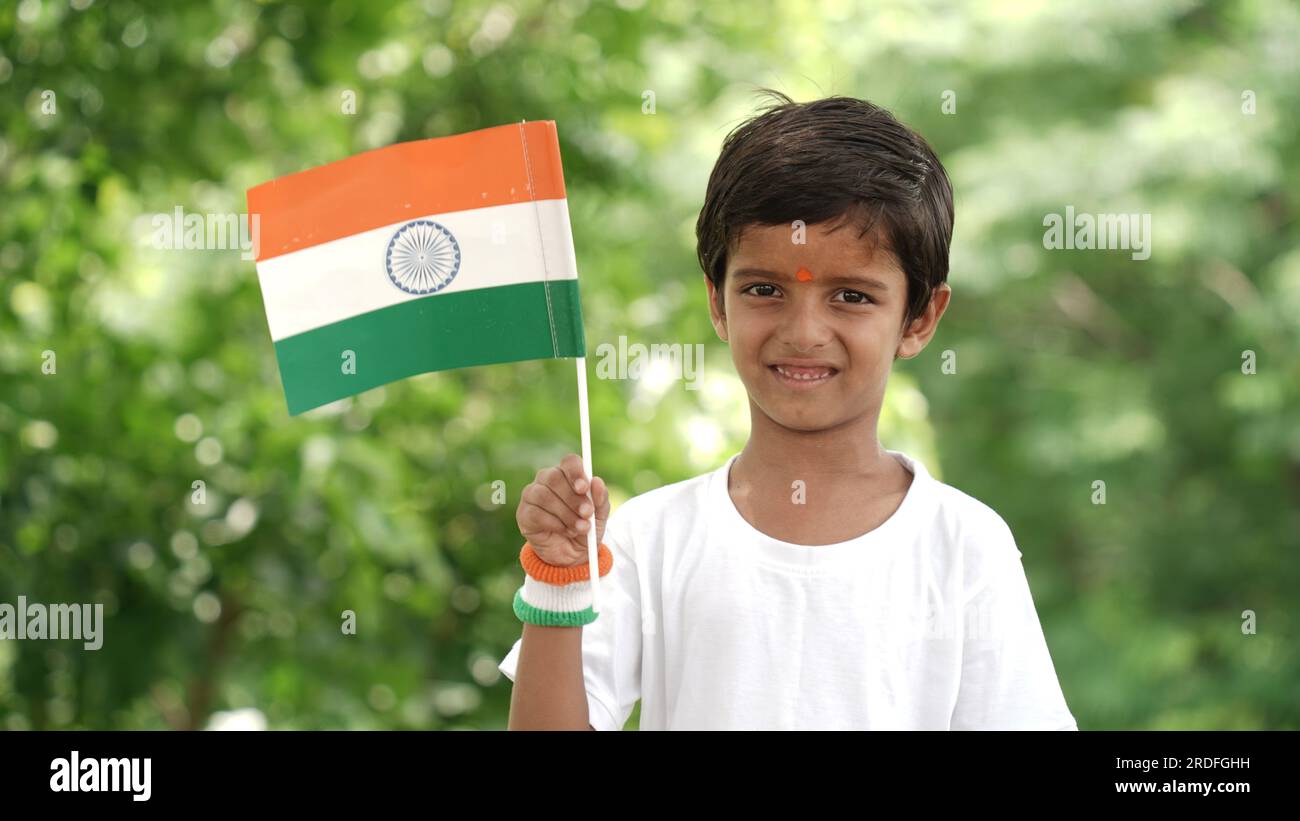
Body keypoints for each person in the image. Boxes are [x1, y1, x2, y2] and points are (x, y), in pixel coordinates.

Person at [498, 90, 1078, 731]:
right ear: (718, 303)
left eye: (852, 296)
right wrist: (558, 580)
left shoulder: (965, 547)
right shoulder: (649, 539)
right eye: (765, 289)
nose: (803, 332)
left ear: (919, 318)